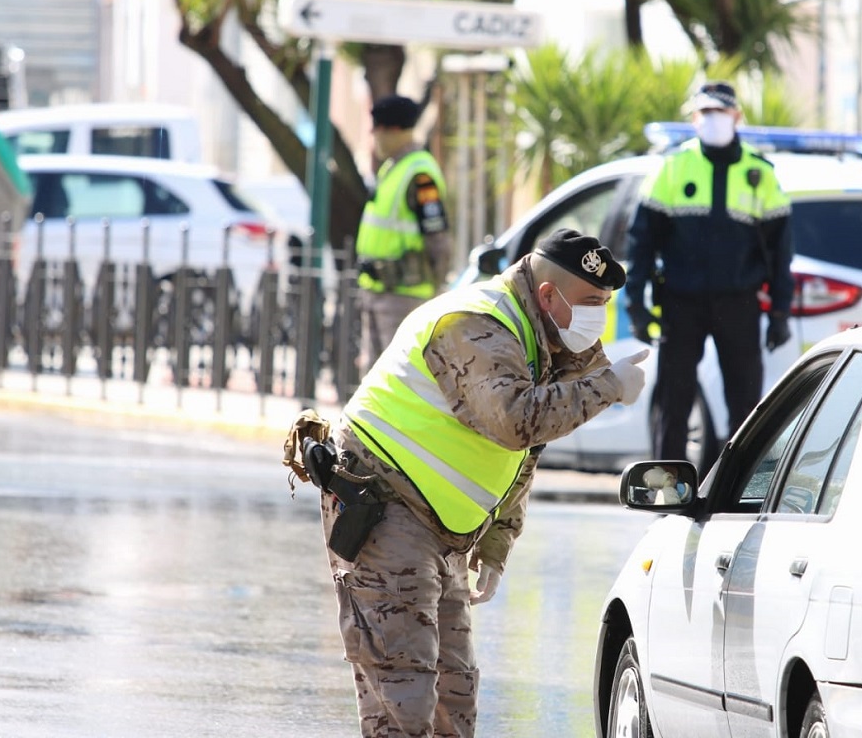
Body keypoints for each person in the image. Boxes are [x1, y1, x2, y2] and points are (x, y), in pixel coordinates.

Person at [287, 228, 649, 738]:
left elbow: (524, 453)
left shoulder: (549, 337)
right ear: (548, 295)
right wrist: (608, 387)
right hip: (385, 502)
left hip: (442, 526)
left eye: (606, 303)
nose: (600, 316)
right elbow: (514, 421)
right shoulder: (474, 324)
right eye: (591, 302)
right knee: (405, 694)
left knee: (453, 700)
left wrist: (497, 544)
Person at [624, 79, 794, 476]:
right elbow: (642, 243)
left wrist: (781, 312)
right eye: (706, 113)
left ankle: (742, 485)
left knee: (747, 404)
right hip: (682, 302)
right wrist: (636, 302)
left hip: (739, 303)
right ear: (694, 118)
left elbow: (779, 251)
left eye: (721, 112)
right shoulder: (672, 168)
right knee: (674, 399)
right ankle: (667, 485)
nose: (713, 120)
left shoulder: (760, 173)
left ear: (737, 117)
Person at [356, 93, 453, 372]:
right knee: (373, 377)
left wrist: (436, 287)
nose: (374, 137)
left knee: (399, 375)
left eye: (378, 131)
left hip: (404, 295)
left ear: (395, 131)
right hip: (378, 289)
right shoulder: (392, 167)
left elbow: (438, 239)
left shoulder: (419, 174)